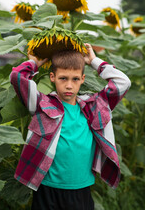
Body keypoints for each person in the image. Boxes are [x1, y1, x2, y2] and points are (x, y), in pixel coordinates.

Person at [10, 43, 131, 210]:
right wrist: (34, 63)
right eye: (63, 78)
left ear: (82, 79)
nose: (69, 85)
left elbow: (123, 82)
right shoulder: (41, 104)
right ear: (52, 77)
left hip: (81, 188)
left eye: (75, 79)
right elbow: (17, 76)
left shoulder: (94, 106)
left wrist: (94, 61)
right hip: (48, 187)